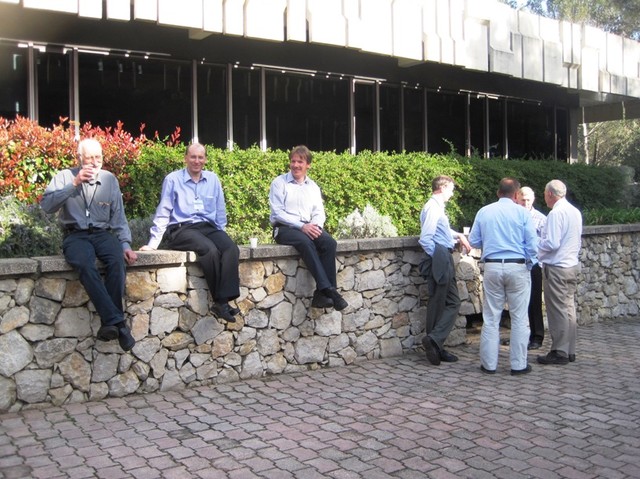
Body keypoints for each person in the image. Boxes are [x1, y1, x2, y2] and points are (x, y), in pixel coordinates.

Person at [40, 138, 138, 351]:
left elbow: (118, 217)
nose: (94, 162)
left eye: (98, 157)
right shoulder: (65, 176)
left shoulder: (109, 179)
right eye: (89, 158)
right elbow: (46, 205)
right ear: (79, 158)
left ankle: (110, 323)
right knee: (84, 264)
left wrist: (126, 245)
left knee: (115, 261)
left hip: (102, 233)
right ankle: (118, 323)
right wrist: (74, 184)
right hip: (75, 235)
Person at [140, 143, 241, 323]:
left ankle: (223, 300)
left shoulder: (212, 179)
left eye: (200, 157)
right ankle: (221, 302)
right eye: (193, 157)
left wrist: (222, 234)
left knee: (230, 248)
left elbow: (220, 209)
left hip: (207, 226)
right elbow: (163, 210)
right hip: (181, 229)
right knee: (208, 250)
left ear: (205, 160)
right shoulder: (173, 179)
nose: (197, 161)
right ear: (185, 158)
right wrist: (153, 243)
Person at [468, 178, 538, 376]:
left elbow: (474, 240)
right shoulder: (523, 213)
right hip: (517, 266)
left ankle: (489, 365)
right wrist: (529, 263)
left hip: (492, 266)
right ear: (516, 195)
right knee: (519, 318)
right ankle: (518, 365)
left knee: (491, 317)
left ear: (498, 193)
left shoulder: (484, 211)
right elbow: (532, 244)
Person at [269, 145, 348, 311]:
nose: (296, 165)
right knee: (305, 243)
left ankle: (321, 295)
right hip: (285, 228)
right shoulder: (279, 183)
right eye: (293, 161)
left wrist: (315, 226)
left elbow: (319, 212)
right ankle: (329, 290)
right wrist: (302, 226)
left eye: (300, 162)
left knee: (329, 243)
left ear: (308, 165)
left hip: (308, 226)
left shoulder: (313, 187)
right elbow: (277, 213)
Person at [418, 175, 471, 366]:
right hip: (440, 257)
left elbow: (442, 231)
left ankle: (435, 342)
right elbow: (426, 238)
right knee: (442, 301)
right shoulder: (433, 207)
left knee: (445, 301)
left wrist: (457, 235)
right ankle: (434, 341)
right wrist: (439, 256)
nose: (452, 193)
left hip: (442, 256)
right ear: (442, 188)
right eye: (451, 189)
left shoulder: (437, 208)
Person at [536, 180, 582, 365]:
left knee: (557, 310)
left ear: (550, 194)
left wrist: (536, 245)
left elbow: (552, 243)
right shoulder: (574, 211)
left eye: (545, 193)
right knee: (569, 308)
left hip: (557, 267)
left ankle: (559, 351)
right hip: (571, 265)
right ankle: (570, 349)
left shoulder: (556, 213)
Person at [517, 186, 547, 350]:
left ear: (533, 199)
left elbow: (545, 243)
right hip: (517, 262)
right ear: (517, 199)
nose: (526, 203)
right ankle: (521, 335)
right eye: (523, 200)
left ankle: (537, 336)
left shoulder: (541, 219)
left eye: (528, 200)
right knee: (518, 302)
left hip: (534, 264)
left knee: (534, 301)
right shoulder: (514, 216)